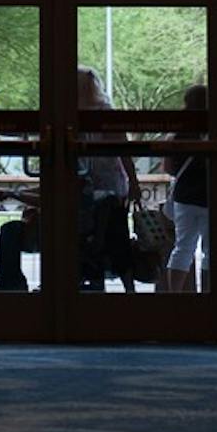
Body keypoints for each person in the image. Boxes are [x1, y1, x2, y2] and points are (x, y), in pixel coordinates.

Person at [76, 66, 139, 293]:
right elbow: (124, 152)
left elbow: (123, 150)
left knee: (93, 235)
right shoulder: (105, 112)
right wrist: (133, 183)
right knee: (116, 234)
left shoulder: (74, 114)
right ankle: (127, 286)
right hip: (111, 182)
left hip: (89, 184)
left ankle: (96, 282)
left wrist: (134, 183)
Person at [163, 84, 210, 293]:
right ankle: (210, 294)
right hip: (210, 196)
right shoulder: (214, 132)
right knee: (211, 250)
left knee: (182, 247)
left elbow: (169, 169)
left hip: (184, 197)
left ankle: (176, 294)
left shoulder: (177, 134)